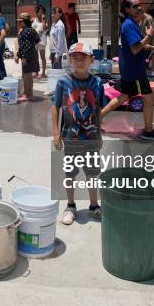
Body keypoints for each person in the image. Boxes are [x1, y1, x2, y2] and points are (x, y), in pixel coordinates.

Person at [100, 0, 154, 141]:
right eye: (135, 6)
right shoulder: (129, 25)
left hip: (131, 67)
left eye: (139, 5)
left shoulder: (131, 24)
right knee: (148, 97)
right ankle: (148, 131)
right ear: (127, 9)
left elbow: (136, 44)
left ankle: (97, 118)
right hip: (134, 70)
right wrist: (149, 36)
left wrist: (153, 47)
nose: (139, 8)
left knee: (124, 96)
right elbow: (136, 48)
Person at [52, 42, 104, 225]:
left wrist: (100, 133)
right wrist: (56, 133)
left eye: (83, 57)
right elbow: (55, 106)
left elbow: (97, 109)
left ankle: (94, 205)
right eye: (75, 57)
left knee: (92, 173)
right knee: (70, 173)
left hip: (91, 137)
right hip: (70, 136)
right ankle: (71, 205)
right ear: (70, 59)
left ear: (92, 60)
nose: (79, 61)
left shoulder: (97, 83)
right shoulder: (63, 82)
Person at [16, 13, 40, 102]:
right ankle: (30, 93)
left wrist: (24, 57)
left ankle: (27, 95)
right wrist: (19, 55)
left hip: (27, 56)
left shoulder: (25, 31)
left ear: (25, 22)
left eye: (20, 22)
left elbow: (25, 45)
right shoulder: (31, 30)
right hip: (32, 54)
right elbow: (37, 40)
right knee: (28, 75)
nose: (18, 23)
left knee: (26, 75)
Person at [32, 5, 49, 79]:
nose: (40, 14)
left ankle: (43, 73)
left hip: (42, 42)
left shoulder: (45, 20)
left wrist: (43, 20)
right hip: (34, 42)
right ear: (37, 13)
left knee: (42, 58)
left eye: (42, 12)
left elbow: (45, 28)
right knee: (35, 57)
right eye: (39, 12)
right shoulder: (33, 20)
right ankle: (36, 72)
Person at [143, 10, 154, 77]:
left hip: (150, 44)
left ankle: (153, 71)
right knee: (149, 58)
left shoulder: (148, 20)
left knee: (151, 57)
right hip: (149, 43)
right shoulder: (149, 21)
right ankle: (151, 71)